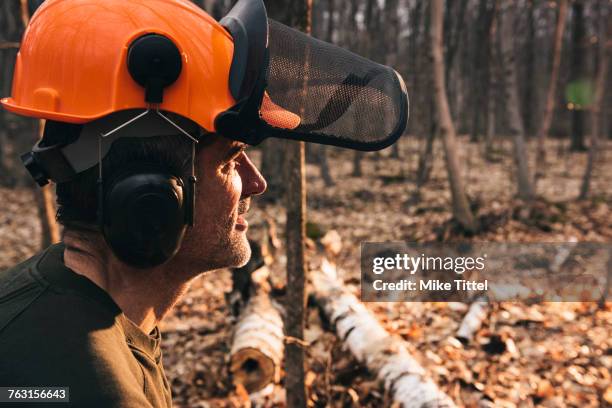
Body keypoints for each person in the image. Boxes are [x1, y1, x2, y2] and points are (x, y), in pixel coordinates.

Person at [0, 0, 408, 406]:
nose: (257, 183)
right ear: (151, 195)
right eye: (231, 161)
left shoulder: (81, 314)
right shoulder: (83, 381)